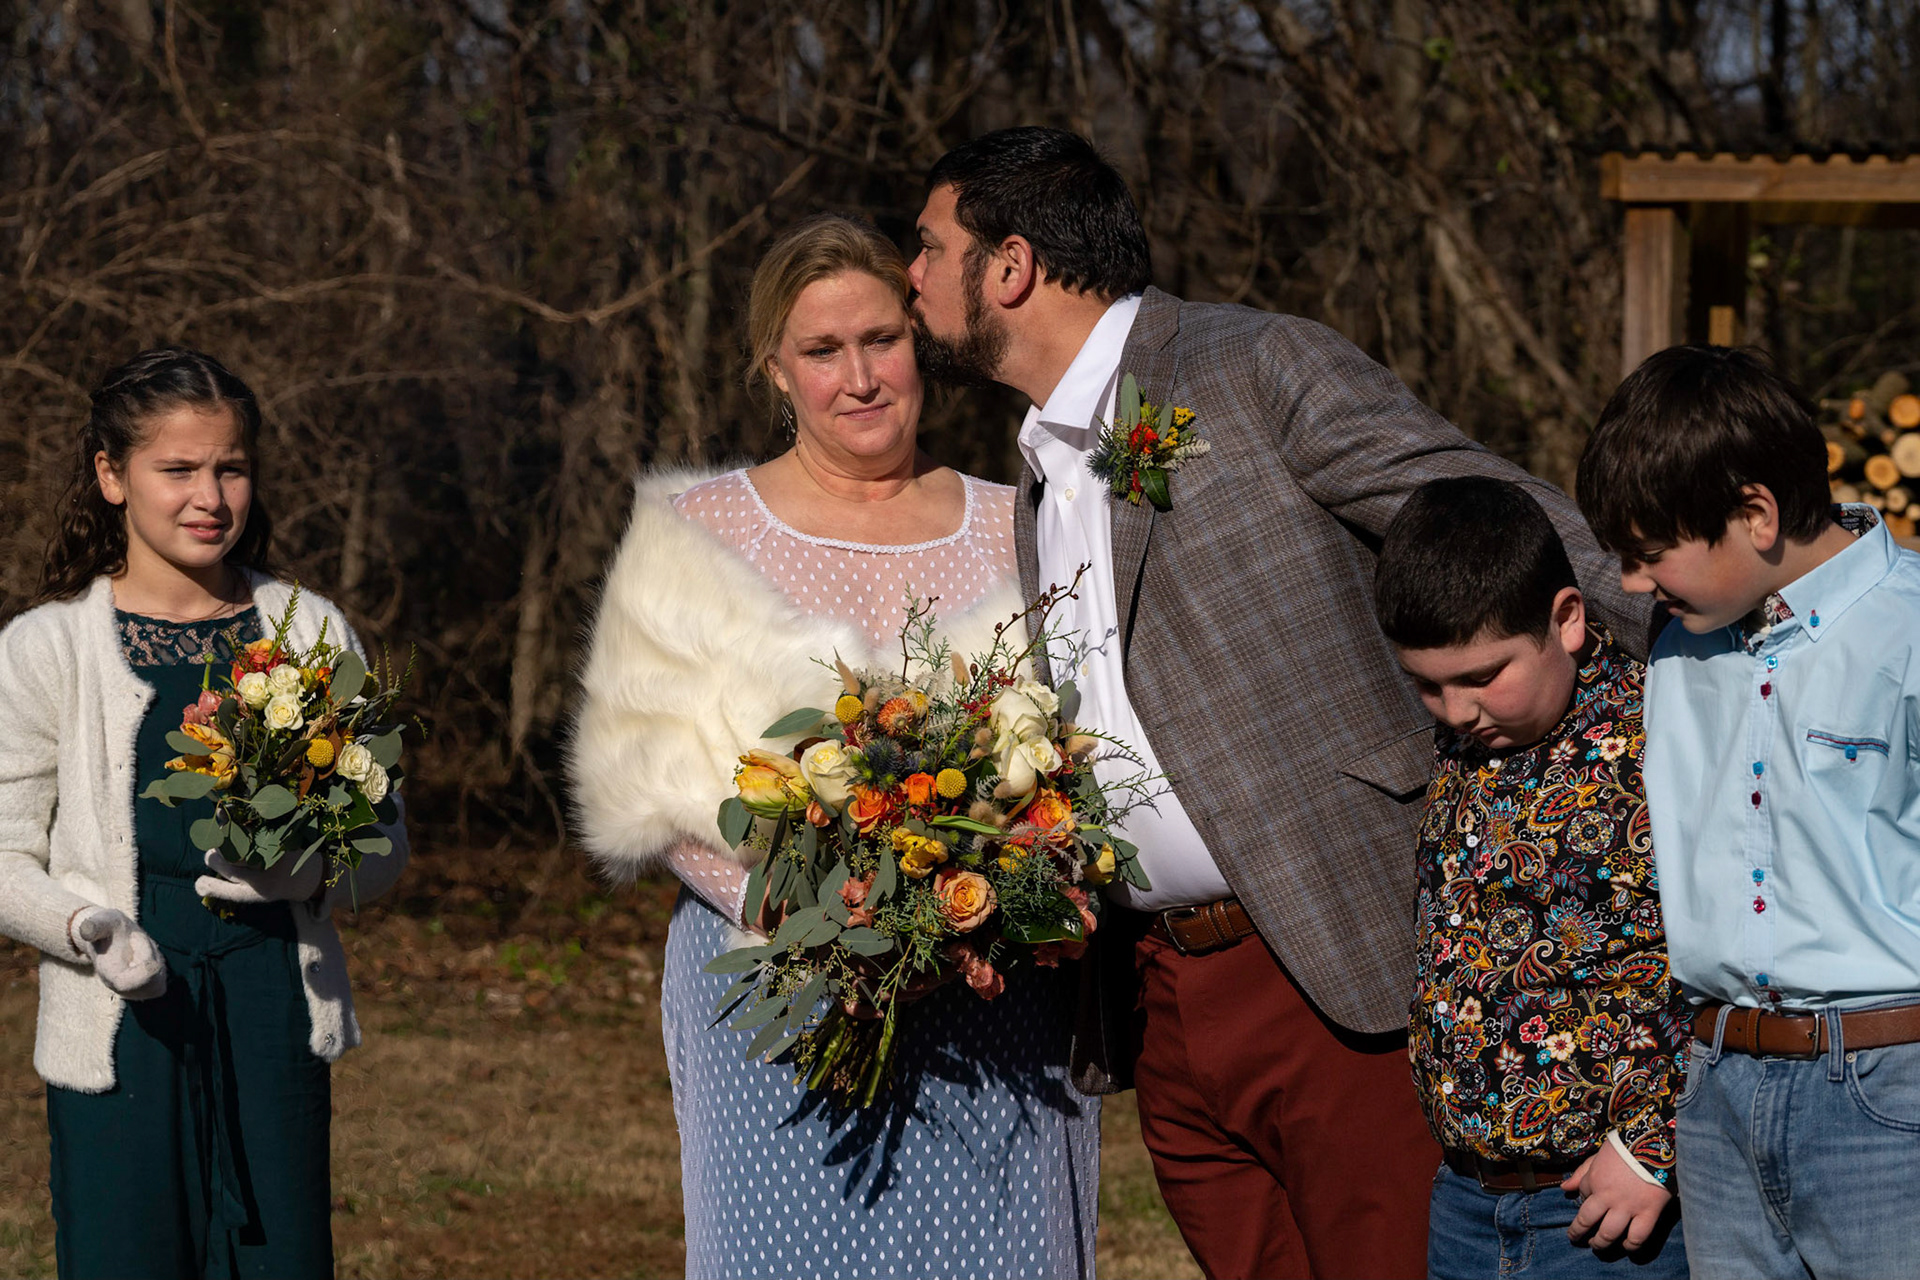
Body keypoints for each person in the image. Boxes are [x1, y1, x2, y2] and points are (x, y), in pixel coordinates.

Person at [907, 125, 1647, 1280]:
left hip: (1334, 954)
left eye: (926, 246)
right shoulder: (1038, 464)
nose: (911, 275)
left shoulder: (1251, 367)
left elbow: (1505, 520)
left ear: (1009, 266)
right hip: (1163, 998)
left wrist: (1723, 658)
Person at [569, 214, 1098, 1280]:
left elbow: (1083, 747)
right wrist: (850, 928)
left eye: (881, 341)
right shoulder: (695, 528)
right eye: (823, 351)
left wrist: (980, 912)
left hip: (996, 997)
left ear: (921, 343)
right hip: (783, 995)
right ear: (777, 369)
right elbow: (655, 783)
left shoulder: (1023, 523)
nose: (859, 377)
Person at [0, 346, 409, 1279]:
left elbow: (386, 842)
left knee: (280, 1259)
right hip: (121, 1012)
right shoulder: (46, 649)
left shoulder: (309, 631)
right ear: (112, 475)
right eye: (176, 470)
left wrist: (311, 872)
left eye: (230, 468)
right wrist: (84, 925)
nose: (209, 497)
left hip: (271, 1005)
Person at [1576, 344, 1920, 1280]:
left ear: (1757, 514)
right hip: (1717, 1085)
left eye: (1650, 556)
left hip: (1889, 1091)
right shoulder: (1676, 642)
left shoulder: (1911, 630)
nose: (1634, 583)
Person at [1375, 476, 1690, 1279]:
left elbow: (1741, 956)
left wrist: (1655, 1146)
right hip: (1468, 1204)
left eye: (1483, 677)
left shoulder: (1664, 744)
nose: (1454, 710)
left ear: (1568, 619)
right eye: (1428, 684)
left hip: (1605, 1210)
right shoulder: (1469, 747)